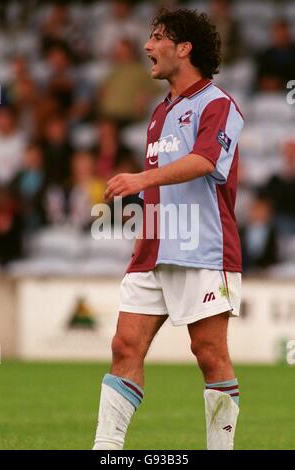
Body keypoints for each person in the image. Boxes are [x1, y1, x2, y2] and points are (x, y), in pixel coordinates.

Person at [92, 8, 244, 450]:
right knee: (124, 347)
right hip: (152, 247)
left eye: (158, 37)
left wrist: (139, 179)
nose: (147, 46)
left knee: (209, 353)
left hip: (203, 248)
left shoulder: (217, 103)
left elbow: (206, 161)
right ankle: (106, 452)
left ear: (184, 48)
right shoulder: (160, 112)